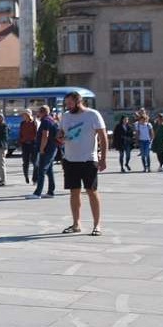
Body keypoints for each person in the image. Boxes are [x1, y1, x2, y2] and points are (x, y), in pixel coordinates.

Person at [58, 91, 107, 236]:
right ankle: (76, 224)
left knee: (91, 192)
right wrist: (59, 136)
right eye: (66, 104)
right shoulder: (66, 116)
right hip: (70, 159)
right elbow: (60, 132)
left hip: (88, 159)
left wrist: (103, 158)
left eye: (70, 103)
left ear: (79, 101)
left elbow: (103, 138)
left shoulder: (93, 115)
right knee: (74, 192)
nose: (68, 106)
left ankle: (97, 225)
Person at [27, 105, 59, 199]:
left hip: (47, 149)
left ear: (43, 112)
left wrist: (42, 148)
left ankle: (37, 193)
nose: (38, 114)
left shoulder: (45, 121)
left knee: (41, 170)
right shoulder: (52, 120)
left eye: (39, 112)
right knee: (49, 171)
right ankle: (50, 192)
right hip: (53, 148)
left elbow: (45, 135)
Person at [19, 109, 38, 184]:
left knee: (35, 163)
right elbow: (21, 133)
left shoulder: (34, 123)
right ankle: (26, 176)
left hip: (33, 144)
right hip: (25, 144)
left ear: (29, 115)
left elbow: (37, 133)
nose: (24, 116)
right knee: (25, 162)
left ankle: (35, 179)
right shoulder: (22, 123)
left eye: (25, 115)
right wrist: (20, 142)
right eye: (23, 115)